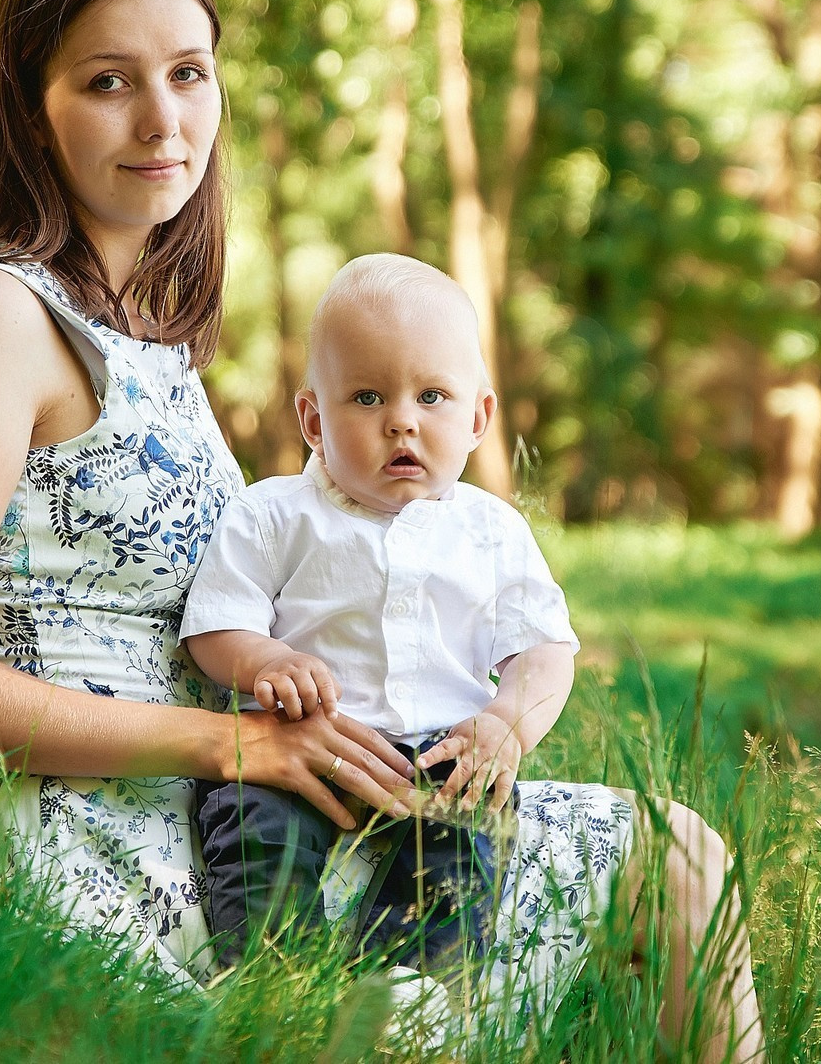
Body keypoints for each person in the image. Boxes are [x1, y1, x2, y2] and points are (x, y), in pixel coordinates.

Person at [0, 0, 764, 1057]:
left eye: (188, 73)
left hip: (250, 795)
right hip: (88, 823)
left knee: (679, 858)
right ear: (29, 110)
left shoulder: (154, 342)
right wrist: (231, 749)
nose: (161, 119)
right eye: (106, 82)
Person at [184, 254, 576, 992]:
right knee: (255, 823)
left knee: (463, 842)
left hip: (443, 751)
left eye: (431, 395)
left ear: (478, 417)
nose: (401, 418)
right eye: (366, 396)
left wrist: (507, 722)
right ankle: (274, 982)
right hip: (303, 744)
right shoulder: (275, 514)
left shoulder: (490, 531)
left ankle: (405, 993)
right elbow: (215, 626)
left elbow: (545, 652)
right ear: (312, 418)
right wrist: (266, 659)